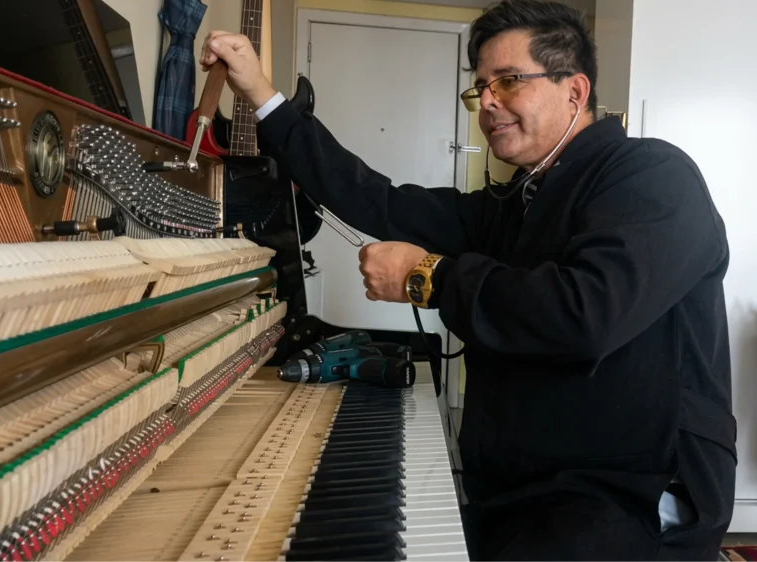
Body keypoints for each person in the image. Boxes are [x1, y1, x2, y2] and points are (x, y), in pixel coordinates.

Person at [199, 0, 736, 559]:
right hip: (528, 486)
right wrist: (263, 96)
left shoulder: (654, 176)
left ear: (575, 92)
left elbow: (584, 316)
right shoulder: (518, 200)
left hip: (625, 498)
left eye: (508, 82)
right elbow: (379, 202)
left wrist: (425, 277)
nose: (488, 103)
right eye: (481, 88)